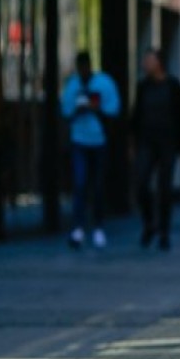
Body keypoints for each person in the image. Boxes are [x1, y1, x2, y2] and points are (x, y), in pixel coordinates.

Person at [130, 49, 180, 251]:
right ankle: (149, 224)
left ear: (159, 63)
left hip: (168, 144)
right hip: (146, 142)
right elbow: (135, 116)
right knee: (141, 184)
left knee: (165, 189)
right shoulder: (143, 87)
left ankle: (164, 232)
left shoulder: (172, 86)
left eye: (149, 60)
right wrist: (132, 144)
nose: (145, 63)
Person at [60, 51, 121, 249]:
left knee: (97, 185)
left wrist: (96, 109)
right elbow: (65, 112)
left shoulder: (104, 83)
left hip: (99, 141)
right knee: (80, 183)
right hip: (79, 140)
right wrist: (78, 109)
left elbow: (113, 111)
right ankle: (78, 227)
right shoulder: (72, 86)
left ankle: (98, 227)